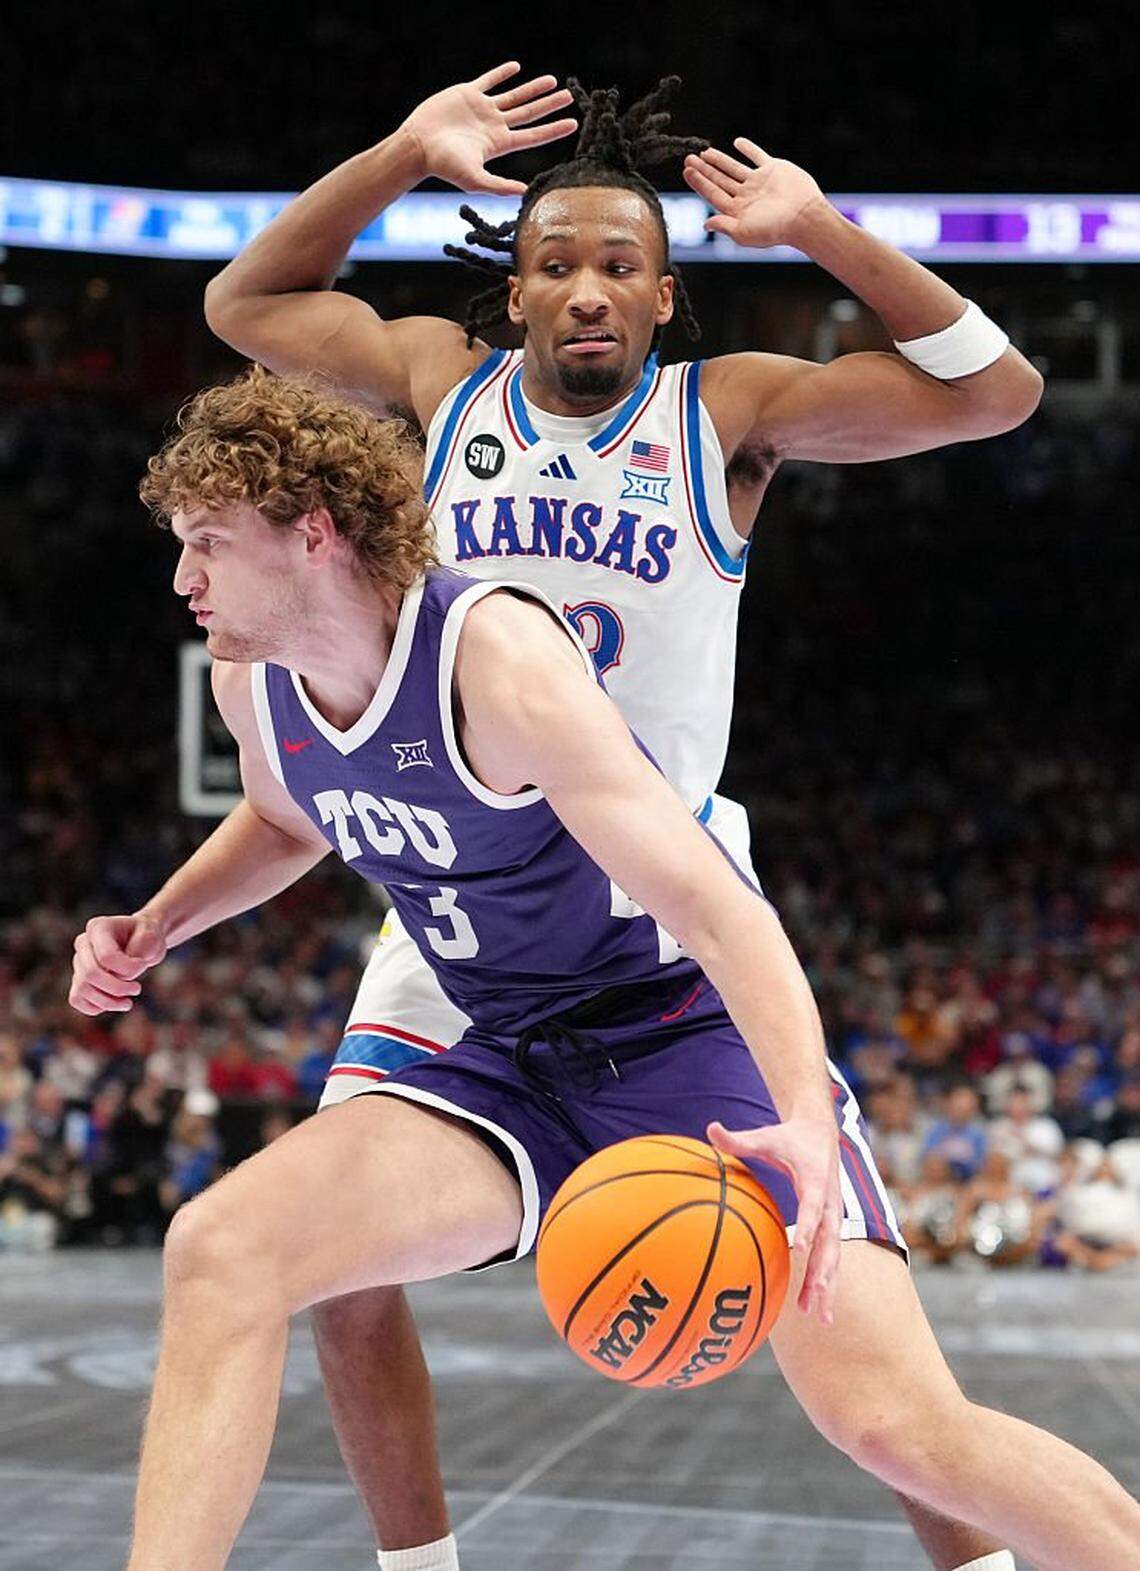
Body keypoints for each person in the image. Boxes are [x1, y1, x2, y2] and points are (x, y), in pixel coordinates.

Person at [69, 373, 1140, 1571]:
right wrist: (161, 918)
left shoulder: (500, 660)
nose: (184, 578)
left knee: (894, 1422)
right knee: (222, 1248)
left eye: (208, 542)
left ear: (311, 531)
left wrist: (800, 1116)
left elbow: (719, 911)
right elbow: (285, 817)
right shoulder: (253, 683)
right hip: (514, 1061)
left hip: (683, 1038)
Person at [198, 64, 1048, 1571]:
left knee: (840, 1329)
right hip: (462, 888)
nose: (588, 288)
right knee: (326, 1259)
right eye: (557, 263)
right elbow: (245, 305)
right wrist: (400, 151)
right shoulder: (438, 383)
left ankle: (974, 1551)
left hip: (659, 907)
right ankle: (423, 1565)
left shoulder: (727, 412)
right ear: (513, 291)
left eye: (620, 266)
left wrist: (822, 232)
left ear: (664, 299)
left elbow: (996, 391)